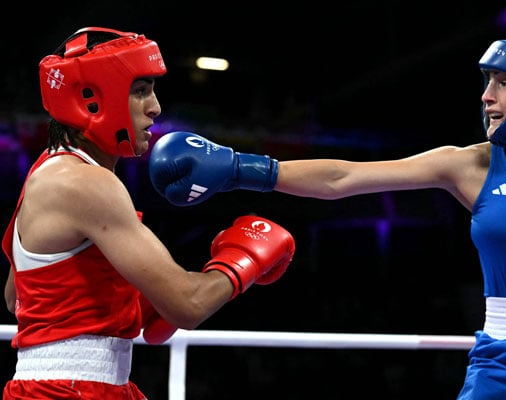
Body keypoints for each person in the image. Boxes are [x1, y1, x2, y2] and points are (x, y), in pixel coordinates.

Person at [148, 35, 506, 398]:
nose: (486, 97)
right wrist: (249, 169)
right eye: (486, 82)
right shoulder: (470, 166)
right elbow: (346, 178)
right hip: (505, 365)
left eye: (503, 83)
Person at [1, 27, 296, 400]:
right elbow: (189, 305)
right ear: (92, 99)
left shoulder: (46, 171)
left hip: (69, 386)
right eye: (140, 91)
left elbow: (18, 296)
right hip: (71, 389)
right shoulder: (85, 183)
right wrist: (245, 259)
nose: (155, 107)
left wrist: (131, 302)